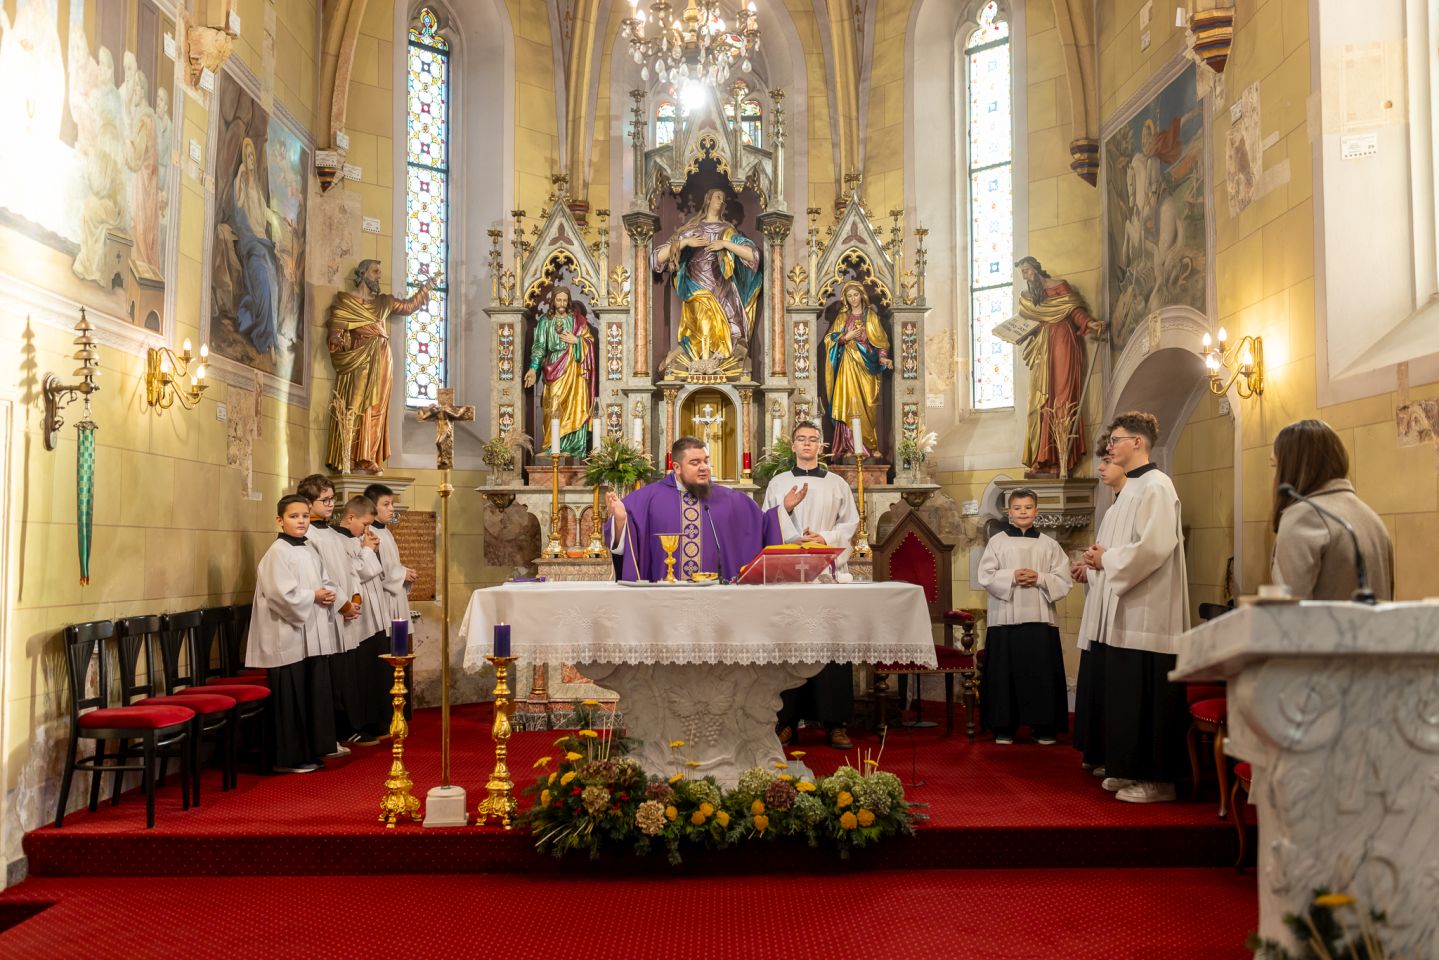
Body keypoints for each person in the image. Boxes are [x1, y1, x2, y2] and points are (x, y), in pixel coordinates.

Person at [1081, 411, 1189, 803]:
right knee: (1129, 694)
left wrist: (1107, 559)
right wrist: (1102, 560)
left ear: (1137, 443)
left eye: (1116, 440)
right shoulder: (1130, 491)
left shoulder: (1157, 486)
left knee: (1149, 694)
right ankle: (1129, 769)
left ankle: (1158, 780)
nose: (1110, 447)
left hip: (1150, 611)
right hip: (1127, 610)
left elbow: (1155, 546)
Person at [762, 421, 862, 748]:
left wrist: (826, 537)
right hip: (790, 572)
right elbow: (766, 523)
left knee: (831, 644)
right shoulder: (778, 483)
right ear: (792, 445)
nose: (807, 444)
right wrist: (786, 510)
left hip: (827, 570)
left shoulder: (837, 484)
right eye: (801, 439)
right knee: (791, 644)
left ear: (821, 446)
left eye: (813, 440)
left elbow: (850, 523)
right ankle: (787, 720)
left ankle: (835, 722)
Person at [244, 495, 339, 773]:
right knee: (290, 698)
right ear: (279, 520)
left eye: (305, 516)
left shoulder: (308, 549)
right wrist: (314, 595)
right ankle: (288, 757)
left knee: (310, 694)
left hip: (309, 632)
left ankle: (309, 750)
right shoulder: (278, 552)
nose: (301, 521)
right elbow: (280, 594)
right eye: (294, 516)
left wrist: (327, 592)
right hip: (286, 636)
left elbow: (324, 579)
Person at [605, 436, 782, 582]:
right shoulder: (648, 498)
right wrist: (620, 521)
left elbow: (762, 526)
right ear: (677, 467)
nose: (704, 467)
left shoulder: (729, 499)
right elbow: (625, 542)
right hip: (664, 599)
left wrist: (785, 512)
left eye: (706, 461)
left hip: (716, 598)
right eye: (695, 462)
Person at [977, 488, 1073, 745]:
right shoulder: (997, 543)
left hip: (1039, 618)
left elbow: (1064, 580)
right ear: (1009, 512)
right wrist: (1011, 576)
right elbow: (985, 575)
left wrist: (1040, 578)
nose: (1023, 512)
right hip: (1006, 618)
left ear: (1036, 512)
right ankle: (1004, 727)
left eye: (1028, 507)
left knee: (1040, 673)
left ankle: (1043, 727)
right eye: (1018, 508)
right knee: (1004, 673)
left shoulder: (1049, 544)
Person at [326, 260, 440, 473]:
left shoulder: (383, 302)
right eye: (375, 271)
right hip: (358, 357)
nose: (379, 276)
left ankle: (367, 456)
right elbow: (336, 328)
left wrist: (427, 287)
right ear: (362, 274)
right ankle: (348, 456)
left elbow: (407, 306)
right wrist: (337, 338)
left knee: (377, 406)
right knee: (355, 404)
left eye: (380, 272)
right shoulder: (345, 302)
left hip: (382, 356)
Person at [1270, 419, 1393, 601]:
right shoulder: (1371, 518)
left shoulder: (1303, 517)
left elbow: (1290, 617)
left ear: (1292, 467)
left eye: (1275, 466)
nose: (1274, 476)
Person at [1014, 257, 1102, 478]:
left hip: (1062, 338)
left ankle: (1061, 457)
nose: (1025, 277)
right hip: (1043, 344)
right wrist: (1017, 334)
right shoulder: (1028, 297)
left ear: (1035, 268)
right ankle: (1042, 459)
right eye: (1022, 273)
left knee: (1062, 396)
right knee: (1041, 400)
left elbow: (1074, 312)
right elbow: (1026, 323)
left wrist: (1090, 323)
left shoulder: (1059, 286)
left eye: (1026, 271)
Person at [653, 187, 761, 361]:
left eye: (723, 198)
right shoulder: (693, 229)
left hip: (723, 287)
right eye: (718, 197)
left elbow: (753, 256)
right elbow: (657, 258)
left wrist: (725, 244)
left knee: (735, 333)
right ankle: (681, 360)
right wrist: (686, 242)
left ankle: (715, 369)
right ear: (708, 200)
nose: (721, 201)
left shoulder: (728, 231)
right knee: (703, 331)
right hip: (697, 288)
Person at [1071, 434, 1127, 773]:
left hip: (1120, 610)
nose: (1101, 467)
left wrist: (1098, 562)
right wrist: (1089, 566)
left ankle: (1107, 753)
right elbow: (1105, 555)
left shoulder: (1136, 501)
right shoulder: (1115, 506)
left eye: (1107, 461)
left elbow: (1125, 558)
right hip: (1101, 600)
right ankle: (1095, 750)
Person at [297, 475, 364, 751]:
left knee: (342, 674)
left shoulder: (332, 533)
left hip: (344, 607)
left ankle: (342, 728)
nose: (330, 504)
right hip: (326, 612)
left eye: (332, 499)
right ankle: (329, 734)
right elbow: (321, 578)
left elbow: (346, 570)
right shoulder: (308, 536)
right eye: (324, 500)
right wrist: (343, 604)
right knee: (330, 676)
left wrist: (354, 598)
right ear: (308, 502)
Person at [822, 280, 893, 460]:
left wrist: (883, 357)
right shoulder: (842, 317)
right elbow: (830, 339)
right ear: (845, 298)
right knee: (848, 402)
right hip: (847, 365)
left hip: (867, 366)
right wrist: (847, 337)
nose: (853, 299)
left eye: (856, 294)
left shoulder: (871, 316)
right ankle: (848, 446)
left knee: (868, 404)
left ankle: (869, 444)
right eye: (849, 295)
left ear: (862, 295)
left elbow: (881, 341)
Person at [523, 286, 597, 456]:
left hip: (575, 369)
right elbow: (539, 348)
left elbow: (589, 341)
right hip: (554, 367)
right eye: (559, 300)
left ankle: (574, 449)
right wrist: (533, 369)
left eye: (565, 300)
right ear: (553, 301)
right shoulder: (545, 321)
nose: (562, 303)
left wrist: (577, 340)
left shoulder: (578, 320)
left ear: (568, 300)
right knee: (553, 405)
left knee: (576, 406)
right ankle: (552, 446)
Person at [365, 483, 417, 719]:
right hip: (384, 603)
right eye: (386, 504)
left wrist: (404, 571)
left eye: (392, 504)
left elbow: (390, 567)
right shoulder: (370, 535)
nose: (391, 509)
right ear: (372, 507)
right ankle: (389, 713)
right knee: (390, 657)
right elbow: (377, 571)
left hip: (395, 600)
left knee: (401, 655)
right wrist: (401, 574)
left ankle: (400, 711)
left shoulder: (385, 532)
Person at [338, 496, 387, 744]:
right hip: (352, 614)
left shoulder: (354, 539)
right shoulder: (342, 541)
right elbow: (358, 572)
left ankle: (373, 720)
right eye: (365, 524)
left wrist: (367, 549)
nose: (367, 529)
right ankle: (354, 725)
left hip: (366, 613)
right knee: (356, 672)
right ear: (350, 518)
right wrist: (368, 550)